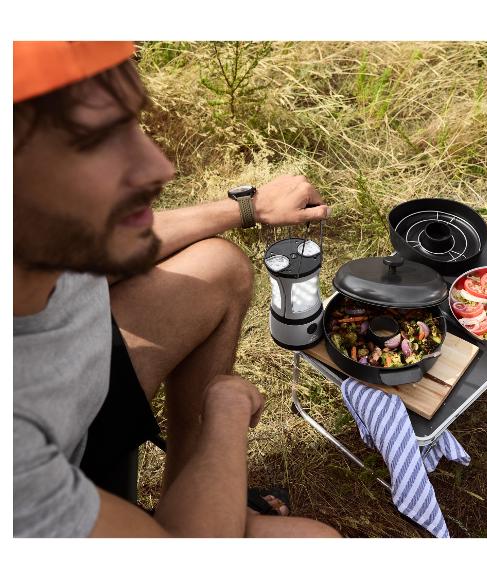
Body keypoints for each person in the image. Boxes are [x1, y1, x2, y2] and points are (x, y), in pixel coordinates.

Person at [13, 41, 340, 538]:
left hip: (79, 396)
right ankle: (204, 511)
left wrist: (251, 207)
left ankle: (193, 490)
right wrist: (226, 412)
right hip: (44, 460)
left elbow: (117, 240)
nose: (159, 168)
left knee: (218, 267)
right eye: (95, 142)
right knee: (314, 543)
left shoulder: (36, 239)